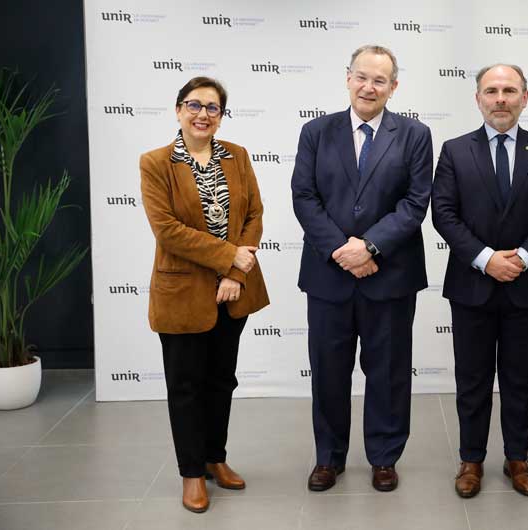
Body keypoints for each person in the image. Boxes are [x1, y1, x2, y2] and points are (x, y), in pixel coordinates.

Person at [291, 45, 433, 493]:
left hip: (389, 275)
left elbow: (415, 203)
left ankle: (384, 457)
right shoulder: (316, 131)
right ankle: (328, 458)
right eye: (361, 77)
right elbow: (304, 197)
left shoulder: (414, 134)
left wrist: (370, 246)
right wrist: (342, 250)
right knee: (329, 370)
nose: (369, 87)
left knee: (388, 372)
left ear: (394, 87)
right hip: (328, 275)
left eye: (380, 80)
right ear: (347, 78)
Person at [432, 64, 528, 498]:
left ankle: (518, 459)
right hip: (472, 285)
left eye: (509, 90)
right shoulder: (455, 150)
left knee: (519, 377)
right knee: (472, 379)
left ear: (525, 98)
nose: (500, 99)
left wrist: (524, 258)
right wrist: (486, 258)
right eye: (491, 91)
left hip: (526, 286)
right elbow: (444, 213)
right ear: (477, 99)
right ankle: (471, 460)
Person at [140, 77, 270, 513]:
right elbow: (169, 232)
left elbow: (254, 212)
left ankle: (216, 458)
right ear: (178, 110)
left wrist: (235, 270)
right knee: (186, 386)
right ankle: (191, 473)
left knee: (221, 381)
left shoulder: (237, 156)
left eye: (213, 108)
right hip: (182, 293)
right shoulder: (156, 163)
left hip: (235, 290)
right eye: (194, 105)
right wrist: (228, 256)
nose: (203, 114)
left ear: (221, 115)